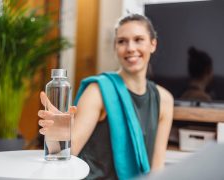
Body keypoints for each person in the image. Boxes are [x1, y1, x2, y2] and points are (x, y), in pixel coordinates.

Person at [38, 13, 174, 179]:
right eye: (122, 41)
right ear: (115, 47)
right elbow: (68, 153)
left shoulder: (165, 99)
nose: (130, 48)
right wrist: (59, 133)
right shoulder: (98, 91)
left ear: (153, 44)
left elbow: (157, 170)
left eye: (138, 39)